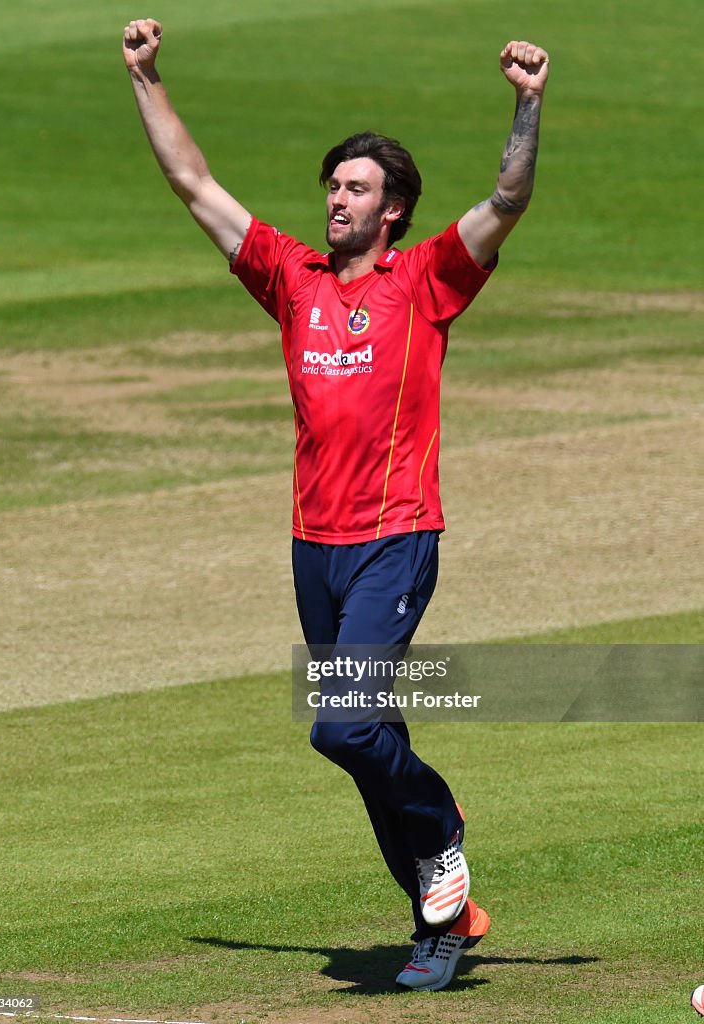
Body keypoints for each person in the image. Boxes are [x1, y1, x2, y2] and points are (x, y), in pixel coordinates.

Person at [123, 20, 549, 992]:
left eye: (355, 189)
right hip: (311, 546)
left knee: (341, 726)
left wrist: (526, 102)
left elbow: (507, 198)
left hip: (394, 536)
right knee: (367, 743)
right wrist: (145, 78)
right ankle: (440, 924)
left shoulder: (427, 280)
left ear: (392, 210)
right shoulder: (292, 278)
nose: (336, 199)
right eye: (332, 186)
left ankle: (441, 832)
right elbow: (194, 184)